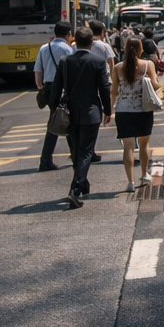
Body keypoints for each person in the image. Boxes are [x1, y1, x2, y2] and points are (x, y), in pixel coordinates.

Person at [50, 28, 111, 209]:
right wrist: (108, 110)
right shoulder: (98, 61)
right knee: (85, 152)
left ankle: (82, 183)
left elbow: (56, 87)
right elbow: (104, 88)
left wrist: (53, 108)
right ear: (92, 42)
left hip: (70, 112)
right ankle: (75, 189)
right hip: (91, 112)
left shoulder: (65, 61)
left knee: (77, 150)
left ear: (74, 41)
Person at [112, 38, 161, 192]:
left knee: (128, 148)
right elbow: (155, 84)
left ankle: (130, 182)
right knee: (144, 144)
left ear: (125, 49)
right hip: (143, 109)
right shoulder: (148, 64)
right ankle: (144, 174)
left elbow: (114, 91)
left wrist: (111, 109)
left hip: (123, 111)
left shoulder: (118, 67)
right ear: (140, 49)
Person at [34, 22, 83, 171]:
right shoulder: (68, 49)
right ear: (68, 34)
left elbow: (38, 70)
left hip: (49, 88)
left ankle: (70, 155)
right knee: (64, 121)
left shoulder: (44, 47)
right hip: (64, 87)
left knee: (59, 119)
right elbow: (73, 69)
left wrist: (40, 87)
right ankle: (53, 158)